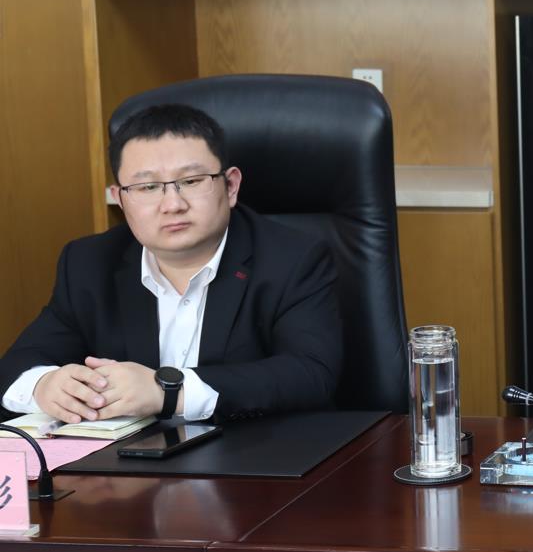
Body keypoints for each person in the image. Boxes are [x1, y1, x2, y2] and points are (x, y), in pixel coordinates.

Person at [0, 104, 343, 423]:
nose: (172, 204)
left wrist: (168, 391)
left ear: (231, 186)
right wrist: (45, 385)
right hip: (129, 463)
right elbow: (17, 364)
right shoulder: (89, 263)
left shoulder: (294, 259)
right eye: (148, 187)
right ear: (120, 199)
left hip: (257, 457)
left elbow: (311, 374)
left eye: (191, 181)